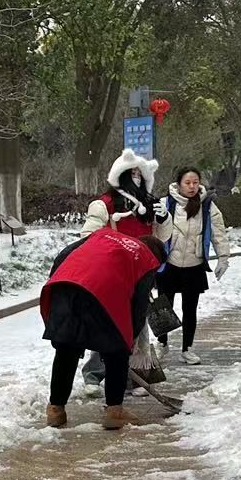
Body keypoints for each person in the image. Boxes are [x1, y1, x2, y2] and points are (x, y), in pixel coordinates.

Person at [41, 226, 170, 431]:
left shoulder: (104, 236)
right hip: (102, 293)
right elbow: (137, 310)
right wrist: (130, 340)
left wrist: (60, 284)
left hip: (65, 284)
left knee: (67, 348)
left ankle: (55, 409)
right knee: (116, 350)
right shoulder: (145, 258)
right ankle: (114, 412)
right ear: (156, 258)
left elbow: (65, 254)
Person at [80, 149, 165, 388]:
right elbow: (88, 236)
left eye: (140, 174)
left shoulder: (150, 207)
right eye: (132, 173)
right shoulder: (104, 204)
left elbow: (161, 237)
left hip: (143, 274)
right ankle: (95, 373)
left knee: (139, 326)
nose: (136, 177)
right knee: (110, 324)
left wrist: (165, 219)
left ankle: (136, 376)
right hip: (114, 274)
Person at [154, 166, 231, 365]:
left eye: (195, 182)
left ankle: (187, 348)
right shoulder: (165, 203)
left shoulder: (207, 206)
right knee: (163, 307)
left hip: (194, 264)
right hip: (168, 264)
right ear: (178, 184)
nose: (192, 187)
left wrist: (223, 257)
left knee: (191, 309)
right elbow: (153, 231)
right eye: (187, 183)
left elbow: (218, 233)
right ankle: (162, 344)